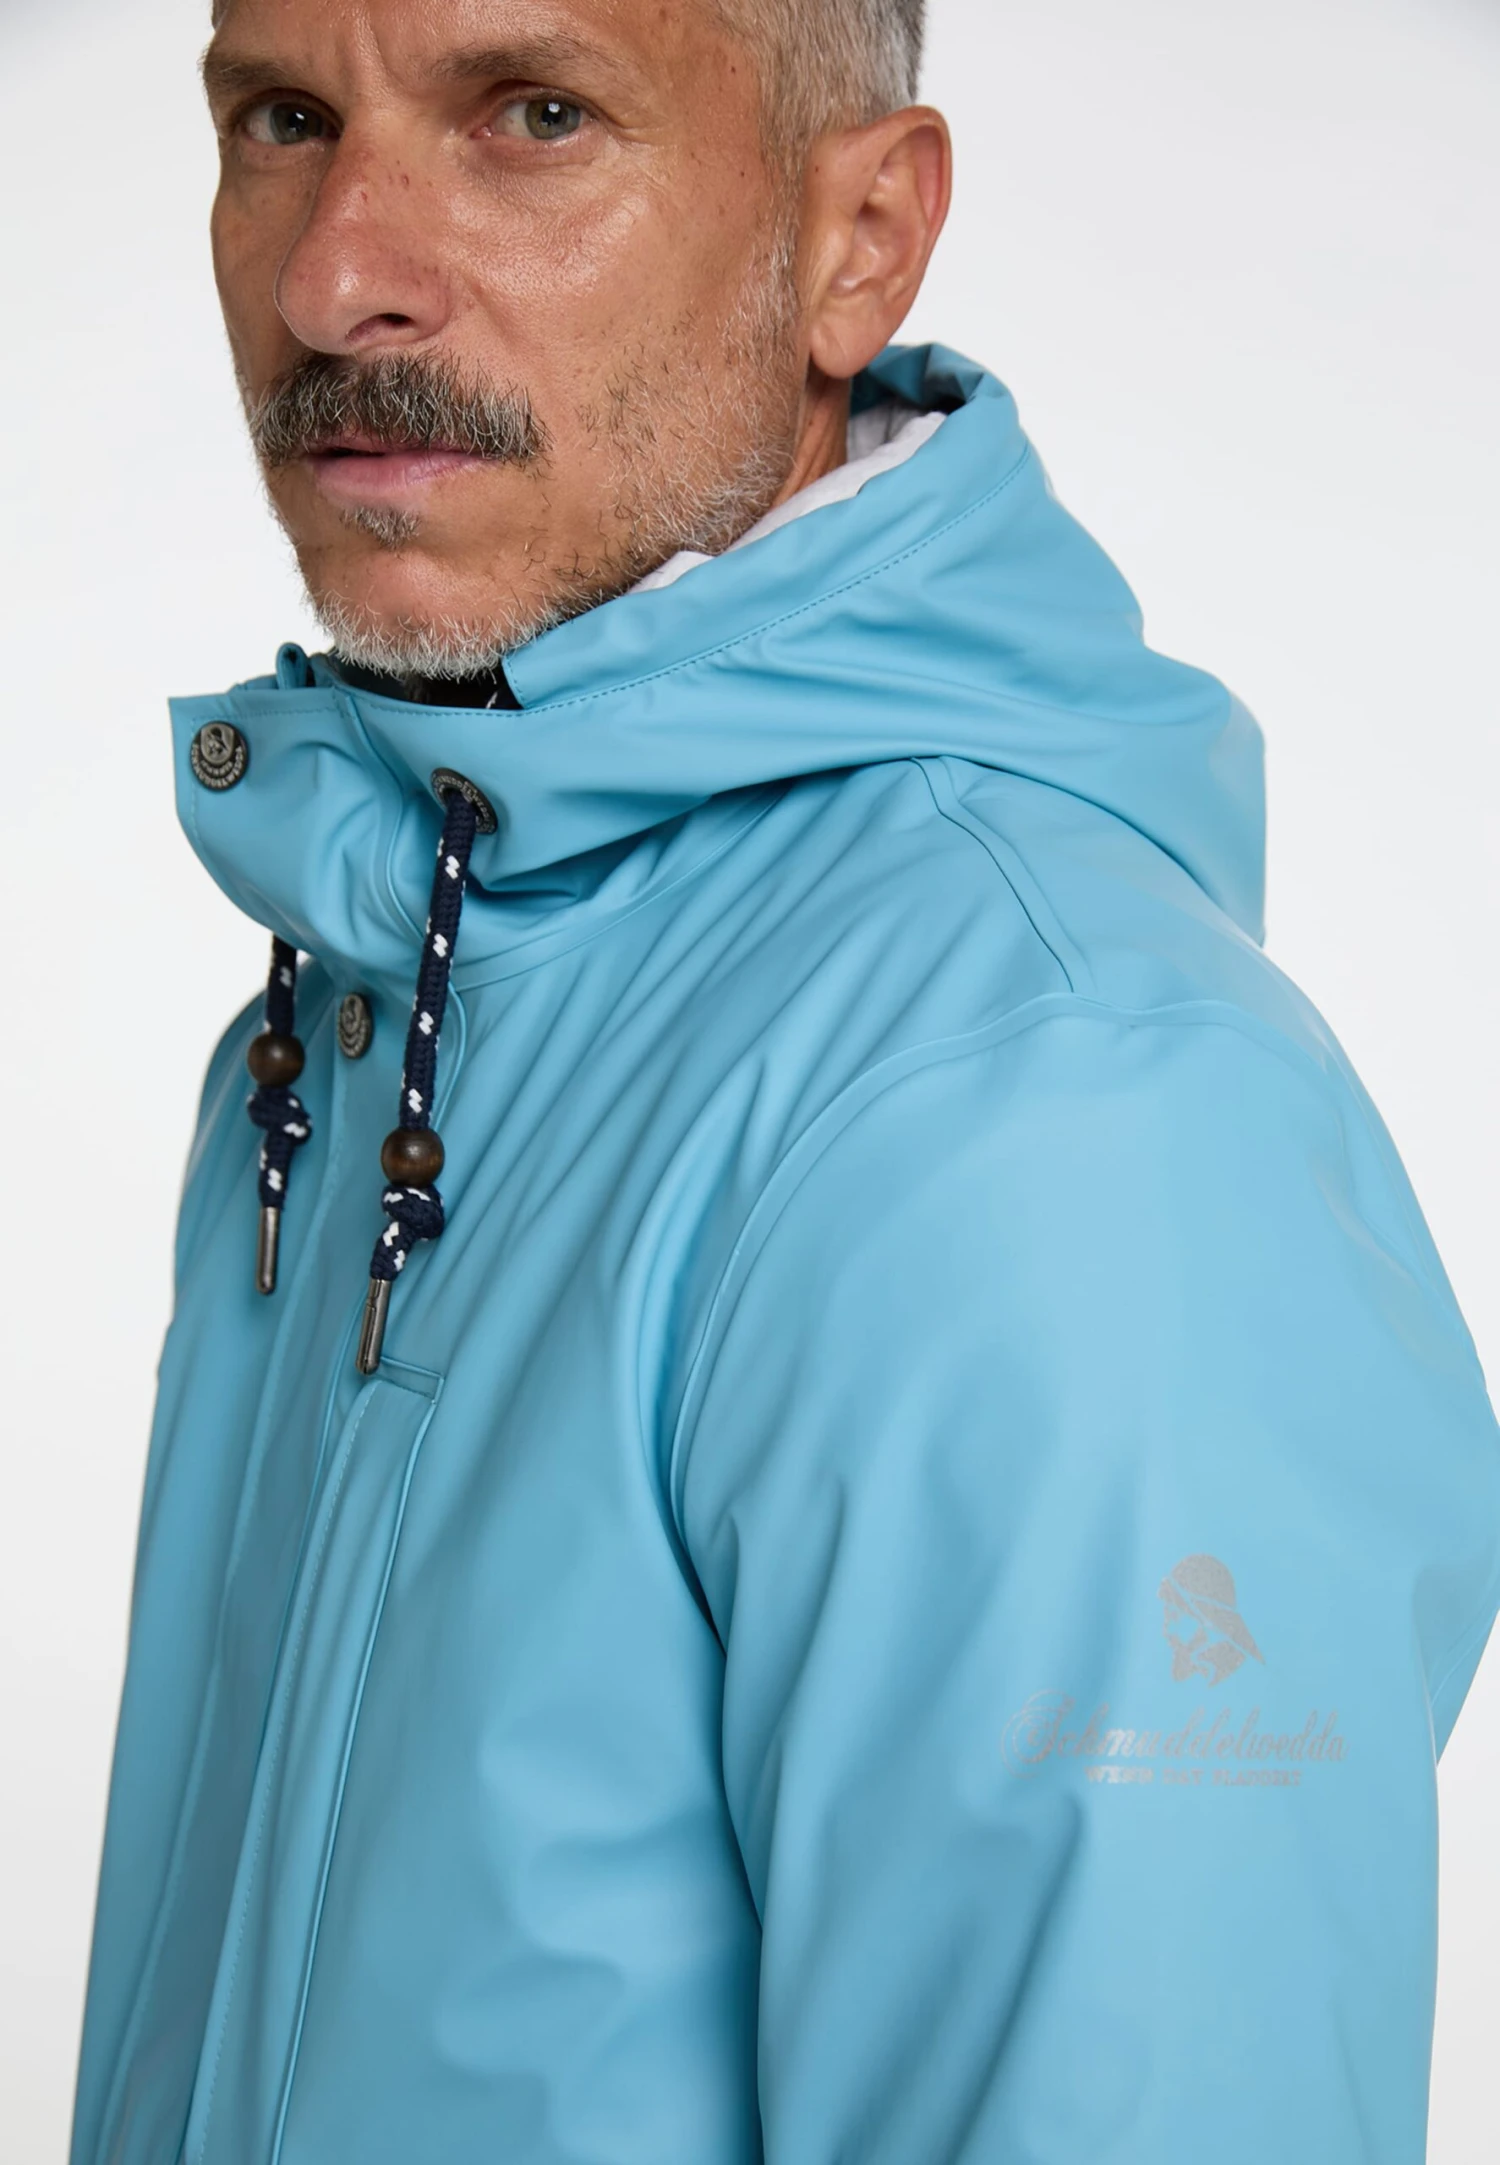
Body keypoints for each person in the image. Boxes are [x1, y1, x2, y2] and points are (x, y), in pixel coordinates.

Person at [70, 0, 1500, 2157]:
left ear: (861, 239)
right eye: (284, 117)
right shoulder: (377, 991)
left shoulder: (1052, 1122)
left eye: (533, 115)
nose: (335, 272)